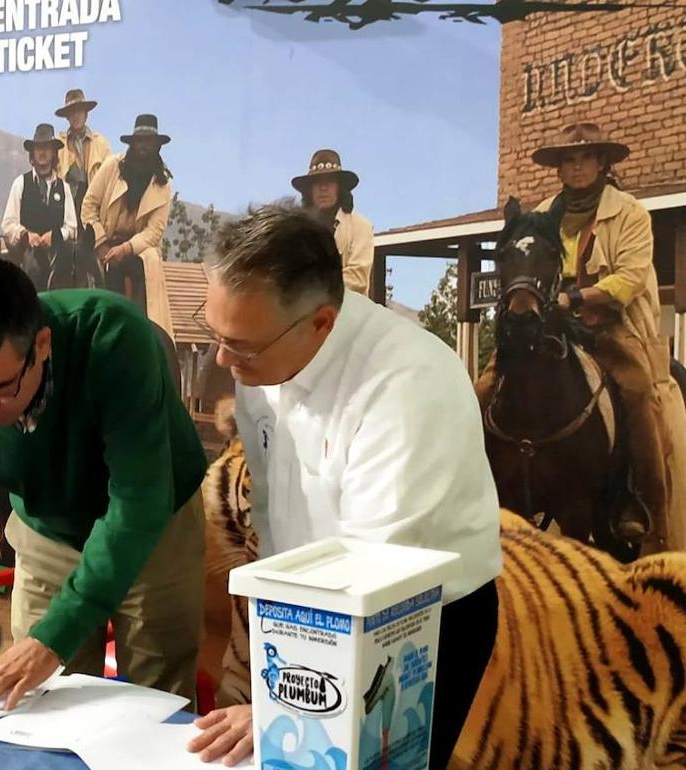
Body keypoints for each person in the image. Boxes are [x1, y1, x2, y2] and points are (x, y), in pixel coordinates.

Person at [187, 203, 502, 768]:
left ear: (321, 324)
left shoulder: (406, 384)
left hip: (415, 624)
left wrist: (283, 708)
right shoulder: (262, 358)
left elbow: (376, 575)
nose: (223, 359)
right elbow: (272, 515)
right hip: (310, 614)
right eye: (216, 333)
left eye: (243, 345)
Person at [0, 255, 208, 711]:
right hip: (47, 526)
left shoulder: (114, 338)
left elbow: (138, 503)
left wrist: (55, 637)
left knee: (154, 700)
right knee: (38, 701)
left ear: (42, 344)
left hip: (154, 524)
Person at [476, 122, 686, 548]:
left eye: (585, 157)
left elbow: (629, 278)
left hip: (610, 325)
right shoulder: (544, 213)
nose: (576, 167)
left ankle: (642, 510)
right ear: (558, 168)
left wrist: (574, 298)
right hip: (545, 323)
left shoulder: (629, 213)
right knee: (482, 388)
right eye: (568, 160)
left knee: (639, 395)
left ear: (602, 162)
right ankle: (469, 493)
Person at [80, 114, 173, 329]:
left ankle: (146, 328)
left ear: (157, 146)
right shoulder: (113, 166)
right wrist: (101, 244)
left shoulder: (163, 183)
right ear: (132, 143)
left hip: (138, 248)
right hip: (104, 239)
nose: (143, 146)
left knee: (144, 269)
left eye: (149, 141)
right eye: (139, 140)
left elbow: (154, 231)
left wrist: (126, 249)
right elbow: (89, 205)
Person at [0, 124, 77, 290]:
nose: (42, 152)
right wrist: (26, 234)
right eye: (38, 148)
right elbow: (8, 224)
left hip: (58, 256)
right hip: (27, 255)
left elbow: (71, 226)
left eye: (47, 147)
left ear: (53, 153)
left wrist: (56, 235)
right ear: (32, 153)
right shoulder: (20, 183)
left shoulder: (64, 188)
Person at [291, 149, 374, 295]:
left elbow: (358, 279)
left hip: (347, 307)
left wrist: (313, 285)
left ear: (339, 187)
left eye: (329, 181)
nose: (323, 188)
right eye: (317, 182)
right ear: (309, 190)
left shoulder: (360, 226)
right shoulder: (295, 230)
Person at [56, 88, 112, 224]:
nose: (76, 115)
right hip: (66, 211)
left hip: (94, 211)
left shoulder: (101, 144)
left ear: (86, 114)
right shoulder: (58, 145)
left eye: (79, 111)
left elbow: (110, 180)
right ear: (67, 117)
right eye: (72, 112)